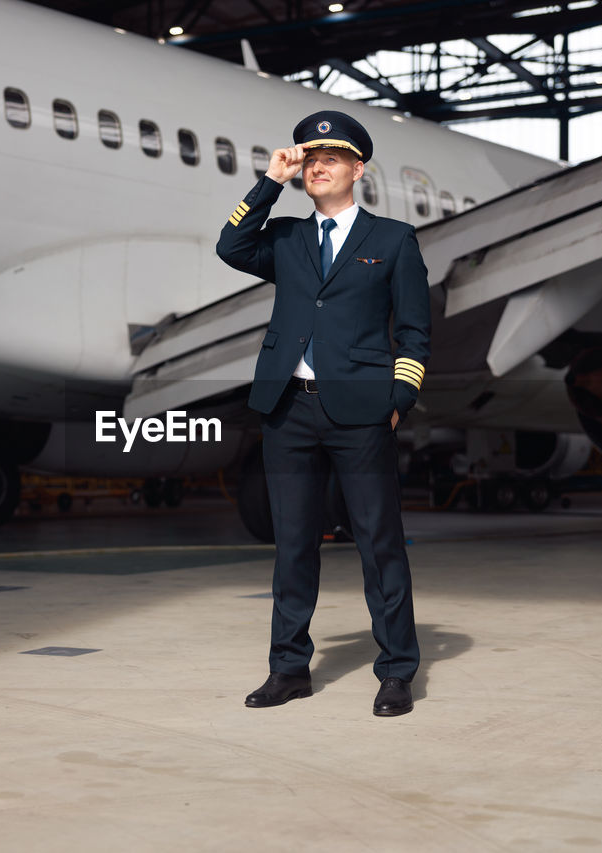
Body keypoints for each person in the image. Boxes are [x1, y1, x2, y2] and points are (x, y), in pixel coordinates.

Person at [216, 110, 431, 717]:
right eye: (310, 158)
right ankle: (288, 669)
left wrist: (398, 400)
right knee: (293, 546)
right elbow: (230, 246)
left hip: (361, 413)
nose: (316, 166)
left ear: (357, 169)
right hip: (288, 409)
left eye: (330, 158)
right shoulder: (285, 240)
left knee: (378, 543)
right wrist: (269, 183)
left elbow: (415, 332)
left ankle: (395, 672)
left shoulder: (392, 241)